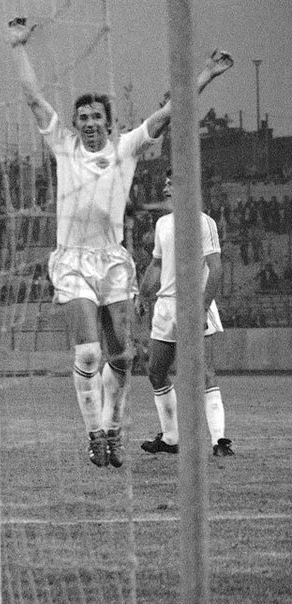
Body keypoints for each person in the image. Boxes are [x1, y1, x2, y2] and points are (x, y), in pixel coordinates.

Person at [8, 17, 232, 467]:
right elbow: (33, 99)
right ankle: (95, 434)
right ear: (74, 124)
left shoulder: (125, 148)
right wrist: (17, 47)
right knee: (89, 351)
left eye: (97, 118)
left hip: (112, 261)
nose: (90, 124)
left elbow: (170, 111)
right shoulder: (65, 147)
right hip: (72, 260)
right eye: (83, 118)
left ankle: (112, 428)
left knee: (124, 356)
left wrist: (205, 75)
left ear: (110, 125)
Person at [138, 171, 233, 457]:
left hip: (192, 303)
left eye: (172, 182)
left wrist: (203, 307)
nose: (166, 187)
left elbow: (215, 268)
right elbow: (156, 265)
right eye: (165, 182)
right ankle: (170, 438)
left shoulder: (204, 222)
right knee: (156, 371)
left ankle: (220, 441)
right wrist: (143, 294)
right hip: (165, 305)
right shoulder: (163, 224)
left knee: (203, 373)